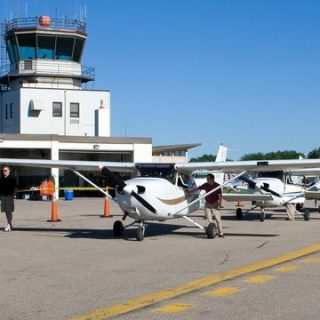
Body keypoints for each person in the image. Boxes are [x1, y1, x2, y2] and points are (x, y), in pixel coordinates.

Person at [198, 173, 224, 237]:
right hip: (207, 204)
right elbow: (199, 188)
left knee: (218, 219)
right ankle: (211, 232)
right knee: (209, 220)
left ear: (212, 179)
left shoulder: (217, 185)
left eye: (208, 179)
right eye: (206, 179)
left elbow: (220, 195)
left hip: (215, 204)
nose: (207, 180)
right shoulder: (206, 185)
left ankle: (221, 233)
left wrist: (219, 204)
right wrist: (189, 191)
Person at [0, 165, 18, 232]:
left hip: (9, 196)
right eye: (3, 171)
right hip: (3, 197)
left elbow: (15, 188)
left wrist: (13, 196)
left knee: (9, 211)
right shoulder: (2, 178)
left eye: (5, 170)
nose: (4, 172)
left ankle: (8, 224)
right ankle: (10, 224)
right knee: (5, 211)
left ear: (9, 171)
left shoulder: (12, 178)